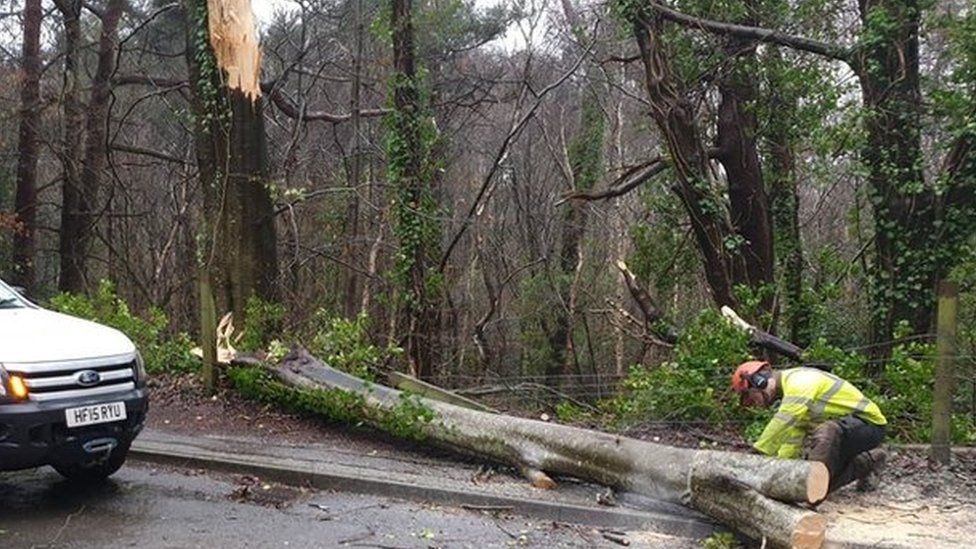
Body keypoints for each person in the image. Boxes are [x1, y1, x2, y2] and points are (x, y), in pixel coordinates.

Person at [731, 360, 888, 497]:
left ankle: (814, 488)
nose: (756, 404)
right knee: (821, 485)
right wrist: (779, 468)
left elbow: (784, 419)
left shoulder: (799, 381)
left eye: (752, 397)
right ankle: (870, 461)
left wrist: (757, 453)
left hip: (869, 424)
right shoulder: (792, 394)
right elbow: (793, 436)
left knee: (826, 432)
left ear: (759, 381)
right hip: (846, 432)